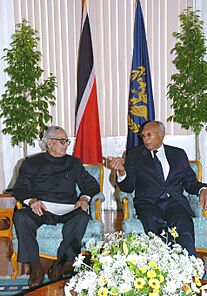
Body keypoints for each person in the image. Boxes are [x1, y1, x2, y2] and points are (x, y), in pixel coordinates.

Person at [12, 126, 100, 288]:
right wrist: (31, 201)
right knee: (21, 216)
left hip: (69, 209)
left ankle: (60, 264)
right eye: (62, 141)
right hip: (42, 209)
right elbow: (20, 188)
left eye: (67, 141)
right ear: (49, 143)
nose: (66, 144)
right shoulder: (31, 163)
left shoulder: (74, 163)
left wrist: (84, 198)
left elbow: (91, 185)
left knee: (82, 217)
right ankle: (36, 267)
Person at [109, 120, 207, 256]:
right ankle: (167, 266)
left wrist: (203, 189)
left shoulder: (178, 154)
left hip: (174, 202)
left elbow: (190, 182)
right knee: (158, 229)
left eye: (149, 135)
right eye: (143, 136)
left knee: (184, 227)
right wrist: (121, 171)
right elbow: (128, 186)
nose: (145, 139)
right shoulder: (134, 155)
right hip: (148, 203)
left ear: (161, 135)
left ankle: (191, 267)